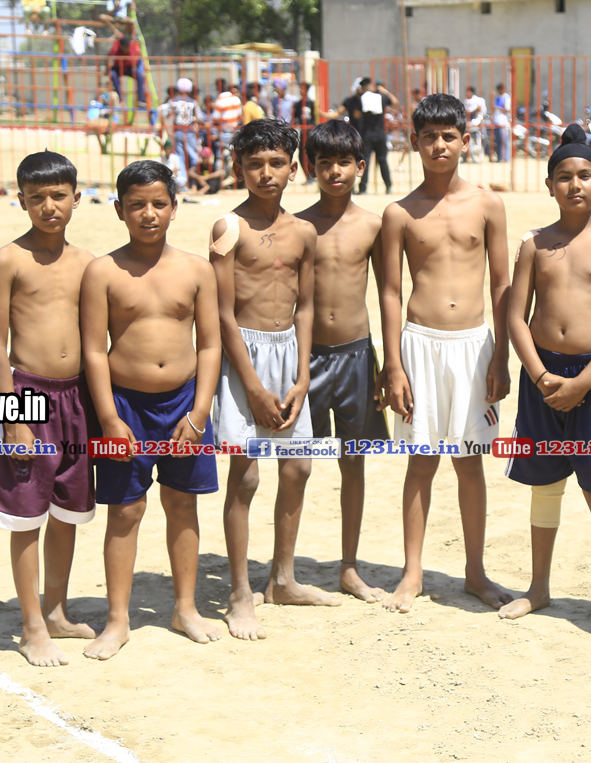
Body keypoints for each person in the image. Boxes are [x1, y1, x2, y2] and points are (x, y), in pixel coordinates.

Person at [497, 125, 591, 637]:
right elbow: (516, 317)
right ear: (549, 185)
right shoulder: (535, 244)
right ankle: (538, 587)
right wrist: (539, 374)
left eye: (584, 174)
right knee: (544, 484)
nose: (574, 184)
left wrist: (584, 382)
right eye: (563, 176)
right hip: (542, 378)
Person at [81, 160, 222, 660]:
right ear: (119, 210)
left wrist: (200, 413)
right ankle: (117, 619)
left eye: (159, 204)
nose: (148, 214)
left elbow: (210, 345)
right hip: (125, 407)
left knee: (183, 504)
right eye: (137, 205)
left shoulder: (197, 269)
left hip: (185, 404)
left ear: (175, 208)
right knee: (125, 510)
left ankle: (185, 608)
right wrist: (109, 419)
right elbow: (93, 350)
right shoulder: (103, 271)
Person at [378, 93, 512, 613]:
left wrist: (501, 355)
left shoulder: (487, 204)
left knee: (470, 462)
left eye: (448, 136)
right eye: (429, 137)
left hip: (474, 346)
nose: (439, 145)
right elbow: (390, 291)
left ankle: (475, 572)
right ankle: (411, 573)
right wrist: (393, 364)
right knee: (421, 462)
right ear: (414, 142)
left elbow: (502, 284)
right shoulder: (399, 213)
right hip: (420, 346)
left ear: (465, 141)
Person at [211, 119, 338, 642]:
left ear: (293, 168)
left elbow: (305, 306)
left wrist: (303, 376)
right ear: (238, 168)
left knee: (299, 467)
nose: (266, 173)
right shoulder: (227, 227)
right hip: (243, 357)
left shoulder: (303, 232)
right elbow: (221, 312)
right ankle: (240, 593)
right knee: (245, 477)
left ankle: (283, 579)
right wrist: (255, 388)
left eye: (277, 163)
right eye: (254, 164)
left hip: (289, 355)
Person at [0, 151, 97, 667]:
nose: (49, 206)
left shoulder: (89, 263)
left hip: (77, 398)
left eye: (59, 196)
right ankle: (30, 627)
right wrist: (13, 419)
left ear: (77, 198)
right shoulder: (7, 260)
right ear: (21, 200)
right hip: (27, 398)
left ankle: (56, 611)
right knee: (26, 514)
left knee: (67, 512)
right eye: (37, 197)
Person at [295, 120, 390, 602]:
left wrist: (390, 364)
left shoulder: (374, 225)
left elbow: (389, 293)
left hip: (356, 356)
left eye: (344, 162)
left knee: (354, 463)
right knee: (296, 465)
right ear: (310, 166)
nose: (335, 171)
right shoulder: (296, 225)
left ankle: (349, 567)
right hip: (306, 358)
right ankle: (282, 570)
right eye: (325, 162)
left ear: (360, 166)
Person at [356, 78, 398, 195]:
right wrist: (385, 91)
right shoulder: (381, 97)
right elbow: (395, 102)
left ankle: (363, 188)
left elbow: (356, 114)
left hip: (367, 134)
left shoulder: (362, 98)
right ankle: (388, 186)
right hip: (380, 134)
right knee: (383, 161)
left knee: (366, 161)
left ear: (363, 88)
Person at [159, 78, 204, 184]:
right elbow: (200, 117)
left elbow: (164, 113)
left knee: (180, 157)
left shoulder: (173, 101)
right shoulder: (193, 102)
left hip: (177, 131)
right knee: (194, 156)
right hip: (190, 132)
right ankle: (193, 180)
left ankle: (183, 181)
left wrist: (168, 130)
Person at [106, 28, 146, 113]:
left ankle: (141, 100)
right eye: (124, 47)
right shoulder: (116, 46)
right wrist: (107, 69)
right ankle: (121, 100)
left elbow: (140, 53)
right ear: (120, 45)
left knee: (140, 76)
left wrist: (145, 65)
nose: (126, 49)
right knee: (112, 74)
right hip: (118, 68)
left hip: (130, 68)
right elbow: (108, 57)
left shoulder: (132, 45)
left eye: (127, 47)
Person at [293, 82, 317, 181]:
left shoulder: (312, 103)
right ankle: (308, 176)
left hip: (311, 131)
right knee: (301, 155)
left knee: (311, 153)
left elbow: (315, 117)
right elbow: (296, 117)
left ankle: (312, 176)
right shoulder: (298, 103)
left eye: (303, 88)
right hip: (303, 131)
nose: (301, 90)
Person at [464, 85, 488, 161]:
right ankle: (466, 156)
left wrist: (471, 112)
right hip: (470, 122)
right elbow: (467, 112)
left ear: (472, 92)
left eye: (469, 92)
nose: (467, 94)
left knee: (483, 137)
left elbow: (481, 111)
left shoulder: (478, 100)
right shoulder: (466, 101)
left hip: (478, 121)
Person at [492, 83, 511, 162]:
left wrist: (496, 107)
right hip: (496, 122)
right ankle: (500, 157)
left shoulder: (506, 98)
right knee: (498, 141)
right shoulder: (497, 97)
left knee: (504, 141)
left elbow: (507, 110)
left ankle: (505, 158)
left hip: (503, 122)